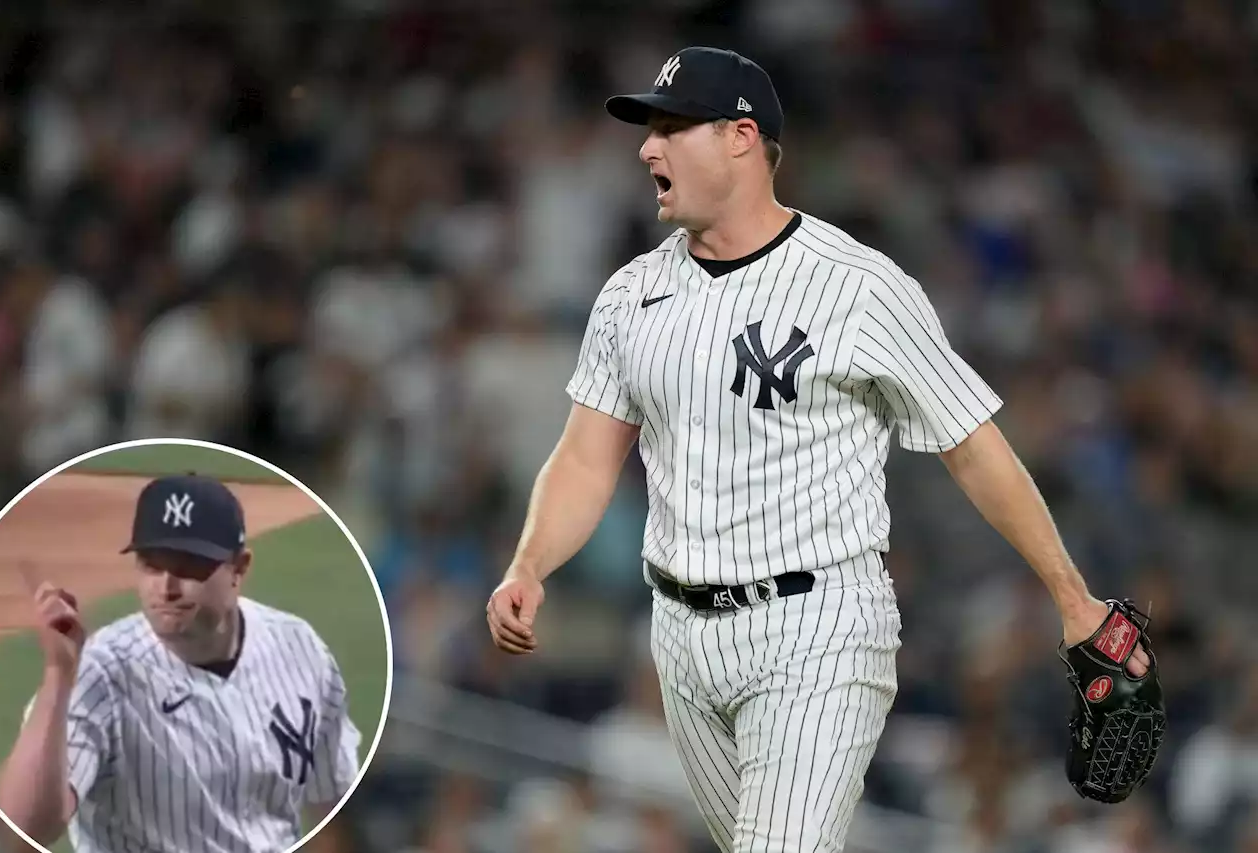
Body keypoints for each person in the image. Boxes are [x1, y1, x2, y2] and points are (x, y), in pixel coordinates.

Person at [486, 46, 1151, 852]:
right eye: (648, 129)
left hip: (818, 625)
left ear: (740, 137)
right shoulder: (631, 294)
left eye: (670, 127)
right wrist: (528, 563)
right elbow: (587, 458)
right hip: (680, 637)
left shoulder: (857, 286)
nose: (646, 148)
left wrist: (1074, 600)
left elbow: (973, 446)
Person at [0, 473, 361, 853]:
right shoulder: (101, 671)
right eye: (151, 565)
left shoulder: (300, 648)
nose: (166, 587)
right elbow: (23, 827)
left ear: (239, 569)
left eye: (188, 566)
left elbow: (333, 806)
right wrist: (58, 675)